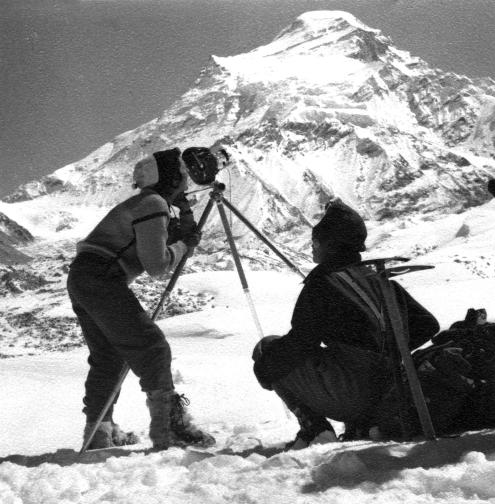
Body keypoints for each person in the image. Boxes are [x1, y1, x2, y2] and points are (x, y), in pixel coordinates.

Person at [252, 199, 440, 449]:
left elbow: (302, 342)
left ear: (329, 245)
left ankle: (315, 429)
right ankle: (361, 422)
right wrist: (389, 351)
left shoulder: (323, 283)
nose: (312, 248)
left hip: (351, 394)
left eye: (315, 242)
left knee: (268, 348)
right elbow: (428, 325)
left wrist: (266, 370)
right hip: (391, 389)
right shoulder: (379, 278)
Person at [67, 147, 215, 450]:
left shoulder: (146, 201)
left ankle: (99, 432)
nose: (186, 180)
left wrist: (184, 213)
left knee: (109, 358)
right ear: (171, 178)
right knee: (154, 350)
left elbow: (173, 238)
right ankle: (170, 428)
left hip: (84, 276)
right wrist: (184, 247)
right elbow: (158, 265)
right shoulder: (154, 204)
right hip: (103, 278)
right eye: (182, 176)